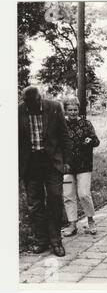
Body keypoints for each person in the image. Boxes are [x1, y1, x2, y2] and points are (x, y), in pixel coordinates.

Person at [18, 86, 72, 257]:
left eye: (33, 104)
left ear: (39, 99)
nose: (30, 108)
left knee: (55, 198)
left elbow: (64, 135)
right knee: (35, 204)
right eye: (27, 105)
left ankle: (56, 241)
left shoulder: (54, 107)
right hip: (30, 163)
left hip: (51, 162)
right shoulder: (18, 111)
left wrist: (67, 161)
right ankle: (41, 240)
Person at [62, 98, 100, 237]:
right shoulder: (62, 124)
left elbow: (96, 141)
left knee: (84, 194)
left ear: (79, 110)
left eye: (75, 109)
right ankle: (72, 224)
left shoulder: (86, 123)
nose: (72, 112)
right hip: (67, 166)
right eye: (70, 110)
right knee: (68, 195)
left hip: (84, 165)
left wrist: (90, 140)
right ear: (65, 110)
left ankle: (90, 220)